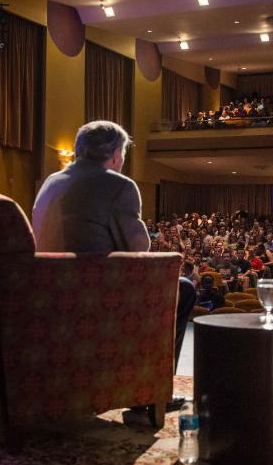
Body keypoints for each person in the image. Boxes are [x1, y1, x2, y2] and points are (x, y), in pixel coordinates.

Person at [31, 120, 196, 380]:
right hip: (93, 296)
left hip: (46, 294)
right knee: (184, 288)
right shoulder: (119, 185)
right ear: (117, 154)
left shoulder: (51, 181)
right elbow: (139, 248)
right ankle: (154, 387)